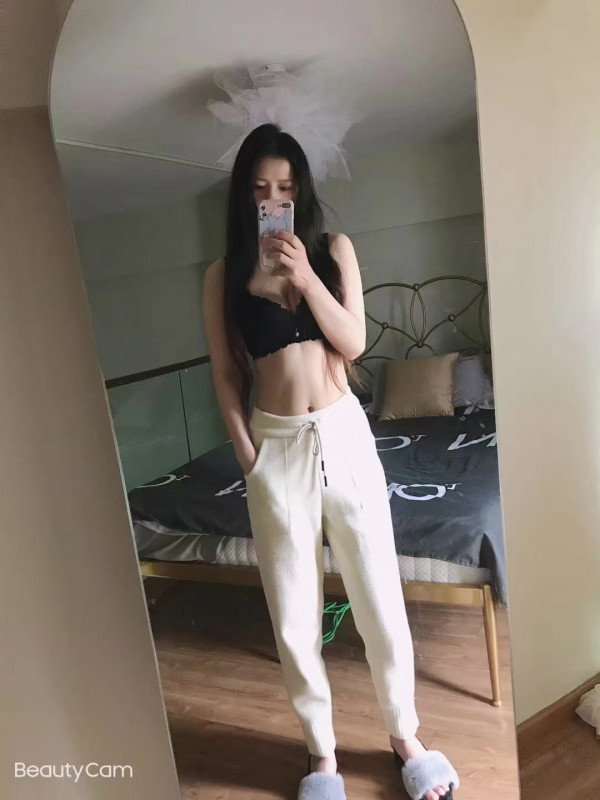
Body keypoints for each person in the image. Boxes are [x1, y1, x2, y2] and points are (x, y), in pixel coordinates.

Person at [202, 123, 459, 800]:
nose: (273, 200)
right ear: (244, 196)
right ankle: (322, 756)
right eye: (261, 189)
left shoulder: (333, 250)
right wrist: (249, 454)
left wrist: (306, 277)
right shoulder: (224, 275)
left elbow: (353, 342)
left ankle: (405, 736)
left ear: (302, 191)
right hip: (276, 448)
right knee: (293, 615)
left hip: (344, 435)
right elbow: (225, 373)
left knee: (379, 596)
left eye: (285, 187)